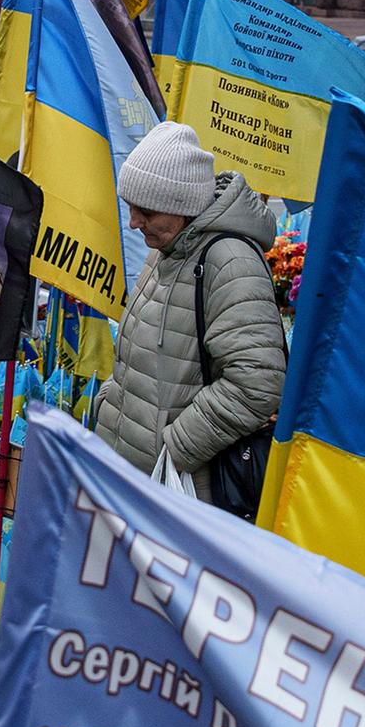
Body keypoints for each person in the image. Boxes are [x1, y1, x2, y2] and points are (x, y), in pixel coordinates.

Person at [94, 121, 284, 506]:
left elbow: (257, 384)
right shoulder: (168, 248)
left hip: (180, 493)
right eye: (131, 207)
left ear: (180, 207)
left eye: (144, 210)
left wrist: (176, 448)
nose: (133, 222)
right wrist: (107, 407)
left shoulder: (229, 262)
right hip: (136, 477)